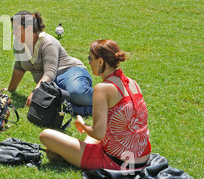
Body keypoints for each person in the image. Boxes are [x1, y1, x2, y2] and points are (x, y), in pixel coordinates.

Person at [39, 39, 151, 171]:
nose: (89, 62)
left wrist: (83, 125)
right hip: (143, 158)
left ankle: (66, 155)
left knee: (45, 135)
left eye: (90, 58)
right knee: (84, 142)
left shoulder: (103, 88)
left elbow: (98, 134)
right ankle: (67, 154)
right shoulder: (133, 83)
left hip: (117, 162)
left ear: (101, 61)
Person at [8, 11, 93, 116]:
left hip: (69, 72)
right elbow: (19, 67)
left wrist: (35, 92)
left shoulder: (48, 42)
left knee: (77, 93)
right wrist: (10, 90)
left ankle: (107, 99)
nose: (13, 33)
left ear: (29, 29)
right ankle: (89, 110)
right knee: (49, 103)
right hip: (50, 84)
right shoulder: (19, 43)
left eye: (16, 29)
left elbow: (50, 73)